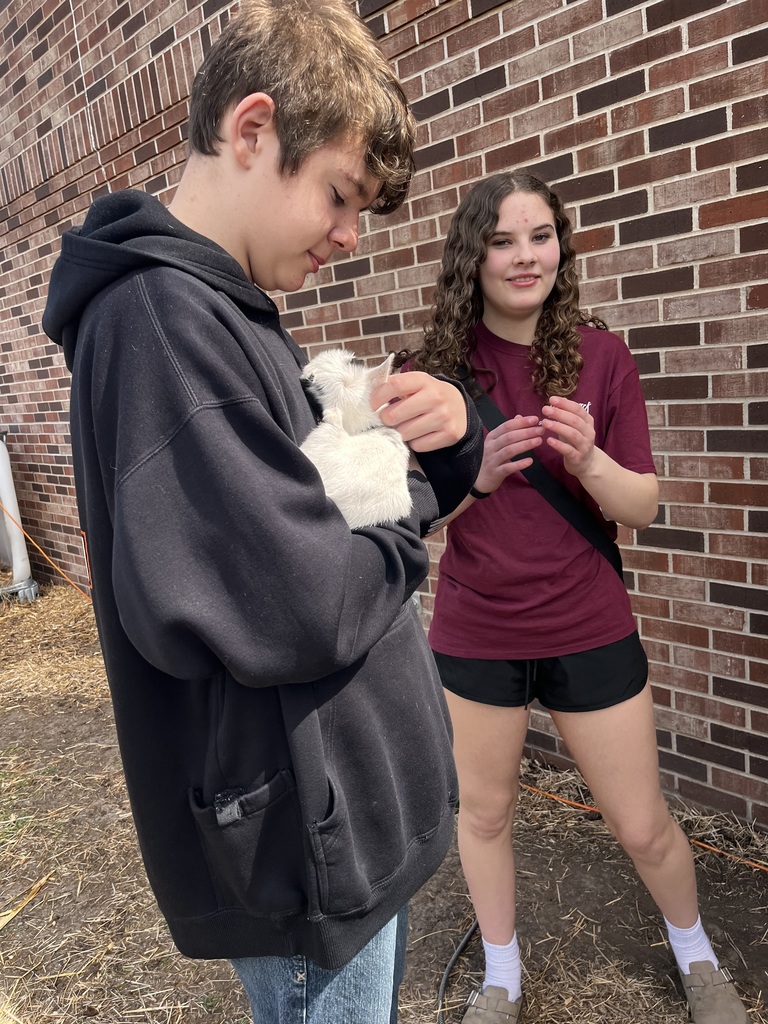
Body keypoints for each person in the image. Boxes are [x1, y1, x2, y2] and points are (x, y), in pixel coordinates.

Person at [41, 3, 483, 1022]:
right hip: (299, 857)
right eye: (340, 194)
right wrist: (403, 478)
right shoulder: (159, 323)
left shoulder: (221, 312)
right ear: (250, 131)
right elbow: (301, 598)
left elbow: (306, 522)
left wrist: (415, 442)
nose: (346, 234)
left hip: (335, 834)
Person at [402, 171, 747, 1024]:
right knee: (483, 817)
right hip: (477, 630)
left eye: (541, 236)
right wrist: (471, 480)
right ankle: (502, 975)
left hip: (588, 623)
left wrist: (590, 461)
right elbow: (404, 511)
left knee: (641, 823)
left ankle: (696, 956)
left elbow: (643, 505)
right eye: (503, 240)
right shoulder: (432, 373)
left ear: (562, 245)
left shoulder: (604, 356)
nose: (525, 257)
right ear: (471, 256)